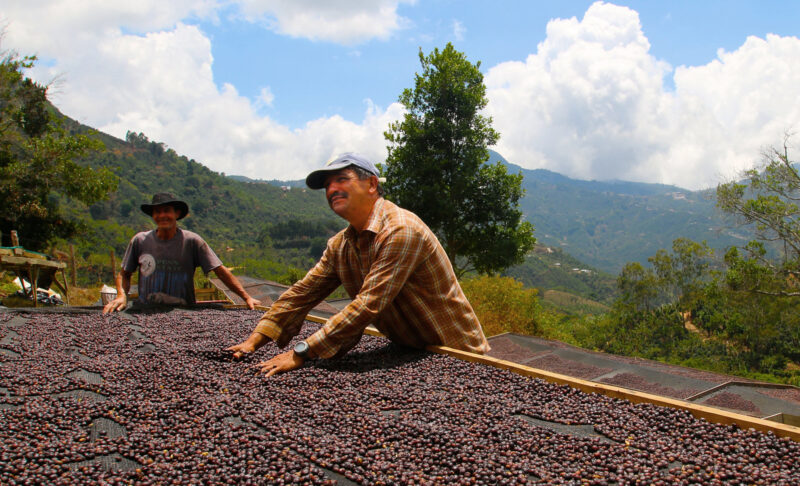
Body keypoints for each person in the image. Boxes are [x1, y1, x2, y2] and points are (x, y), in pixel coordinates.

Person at [228, 153, 489, 376]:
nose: (332, 190)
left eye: (342, 179)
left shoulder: (401, 230)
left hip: (458, 355)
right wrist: (255, 340)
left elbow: (367, 304)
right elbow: (302, 293)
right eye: (328, 185)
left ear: (372, 184)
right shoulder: (340, 245)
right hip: (406, 352)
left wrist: (303, 352)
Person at [103, 193, 260, 313]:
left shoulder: (192, 241)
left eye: (167, 211)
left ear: (176, 214)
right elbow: (124, 273)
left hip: (184, 312)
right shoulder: (140, 241)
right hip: (146, 312)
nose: (162, 215)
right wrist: (122, 295)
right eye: (157, 211)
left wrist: (246, 297)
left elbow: (220, 271)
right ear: (153, 215)